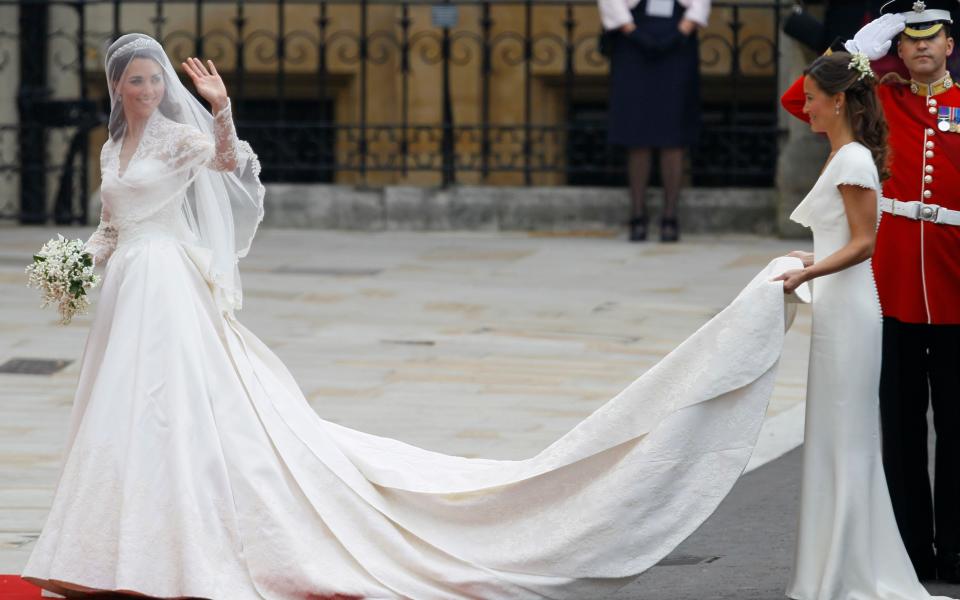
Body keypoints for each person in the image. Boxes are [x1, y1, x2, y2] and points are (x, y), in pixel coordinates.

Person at [20, 33, 804, 600]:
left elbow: (228, 166)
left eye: (157, 82)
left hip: (171, 293)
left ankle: (172, 546)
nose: (148, 92)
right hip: (128, 286)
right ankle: (101, 544)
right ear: (116, 89)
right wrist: (76, 266)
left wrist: (221, 111)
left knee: (173, 410)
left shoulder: (181, 140)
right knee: (119, 411)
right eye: (136, 83)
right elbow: (113, 226)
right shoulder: (111, 149)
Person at [782, 0, 960, 583]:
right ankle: (910, 547)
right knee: (901, 425)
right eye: (908, 41)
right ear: (897, 49)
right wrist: (854, 51)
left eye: (931, 39)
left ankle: (956, 548)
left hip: (953, 280)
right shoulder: (884, 97)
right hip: (894, 288)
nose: (920, 49)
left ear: (949, 45)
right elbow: (798, 100)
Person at [598, 0, 710, 242]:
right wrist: (631, 30)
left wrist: (683, 30)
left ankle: (670, 216)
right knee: (638, 131)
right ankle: (637, 214)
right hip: (632, 43)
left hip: (678, 42)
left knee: (674, 132)